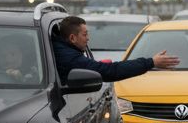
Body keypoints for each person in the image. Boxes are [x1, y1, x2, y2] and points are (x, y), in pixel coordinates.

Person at [52, 15, 180, 84]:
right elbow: (111, 71)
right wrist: (151, 62)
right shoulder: (70, 58)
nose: (88, 38)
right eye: (85, 35)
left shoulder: (60, 50)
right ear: (72, 38)